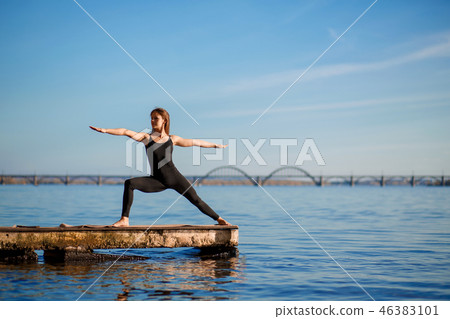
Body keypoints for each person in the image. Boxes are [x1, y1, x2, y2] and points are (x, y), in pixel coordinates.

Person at [89, 107, 231, 227]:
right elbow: (126, 131)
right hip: (157, 180)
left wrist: (215, 145)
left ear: (164, 121)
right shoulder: (146, 138)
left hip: (175, 178)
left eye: (155, 118)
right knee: (129, 183)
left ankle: (219, 219)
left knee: (196, 200)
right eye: (151, 118)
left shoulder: (172, 139)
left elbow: (195, 142)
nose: (152, 121)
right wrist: (105, 130)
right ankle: (124, 219)